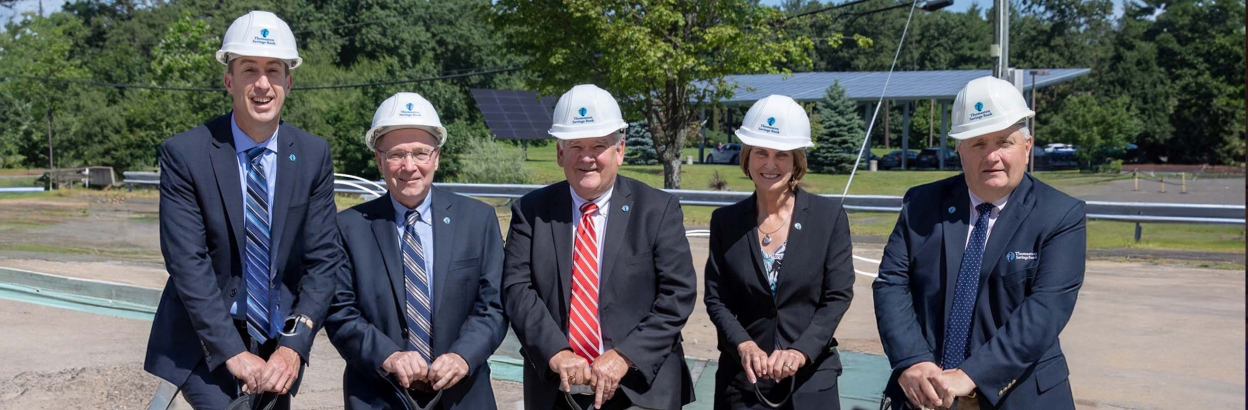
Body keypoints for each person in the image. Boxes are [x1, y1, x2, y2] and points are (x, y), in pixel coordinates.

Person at [144, 10, 340, 409]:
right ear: (229, 79)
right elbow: (187, 263)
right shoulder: (187, 154)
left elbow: (323, 262)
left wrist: (293, 348)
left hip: (277, 337)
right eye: (249, 70)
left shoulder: (312, 154)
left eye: (274, 70)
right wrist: (233, 352)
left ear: (289, 80)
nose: (262, 84)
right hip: (205, 337)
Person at [874, 76, 1086, 410]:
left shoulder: (1060, 215)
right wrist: (912, 361)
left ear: (1027, 147)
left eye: (1005, 142)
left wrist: (970, 375)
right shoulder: (921, 205)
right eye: (977, 144)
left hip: (1022, 396)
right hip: (925, 393)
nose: (992, 156)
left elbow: (1044, 310)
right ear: (959, 149)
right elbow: (891, 284)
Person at [502, 84, 697, 410]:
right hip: (556, 389)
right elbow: (516, 290)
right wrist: (557, 352)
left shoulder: (656, 210)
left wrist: (625, 356)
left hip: (640, 390)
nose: (587, 157)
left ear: (619, 150)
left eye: (599, 146)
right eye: (575, 145)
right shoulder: (532, 212)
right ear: (559, 152)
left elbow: (677, 295)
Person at [325, 92, 508, 409]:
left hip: (463, 394)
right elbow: (339, 311)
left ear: (436, 157)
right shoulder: (348, 228)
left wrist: (463, 355)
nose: (409, 166)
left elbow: (494, 304)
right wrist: (389, 355)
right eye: (396, 155)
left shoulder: (477, 221)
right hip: (378, 394)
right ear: (379, 160)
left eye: (421, 153)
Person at [703, 95, 856, 409]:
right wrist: (743, 345)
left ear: (797, 160)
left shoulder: (829, 218)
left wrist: (800, 351)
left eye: (781, 155)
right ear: (747, 157)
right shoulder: (725, 222)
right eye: (761, 152)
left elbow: (837, 296)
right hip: (743, 384)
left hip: (810, 382)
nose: (770, 164)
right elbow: (716, 299)